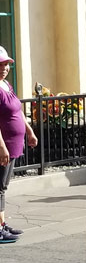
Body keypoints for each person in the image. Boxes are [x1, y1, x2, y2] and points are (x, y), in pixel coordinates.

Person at [0, 46, 38, 243]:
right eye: (0, 64)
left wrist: (29, 131)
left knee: (3, 186)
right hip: (3, 145)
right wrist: (1, 147)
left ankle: (1, 223)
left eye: (6, 64)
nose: (4, 68)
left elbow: (17, 111)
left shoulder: (6, 85)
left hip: (13, 143)